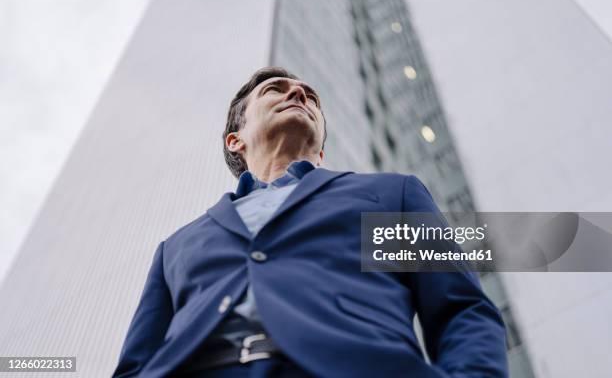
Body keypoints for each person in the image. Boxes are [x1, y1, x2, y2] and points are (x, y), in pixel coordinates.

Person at [113, 67, 508, 377]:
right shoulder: (176, 246)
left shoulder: (388, 197)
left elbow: (459, 309)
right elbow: (136, 362)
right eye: (276, 90)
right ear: (235, 139)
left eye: (311, 98)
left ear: (321, 151)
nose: (300, 94)